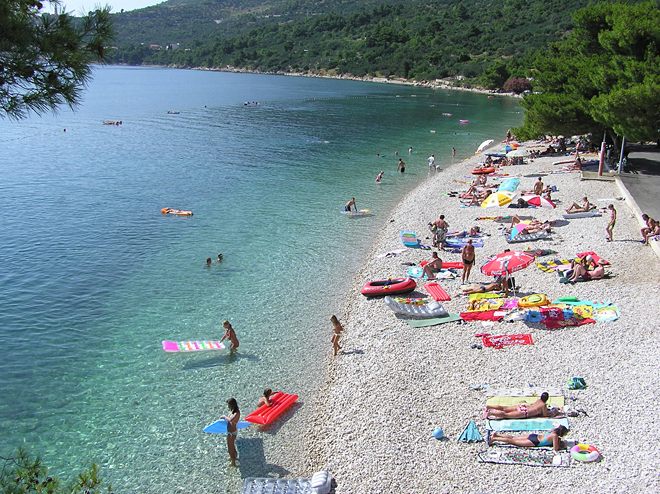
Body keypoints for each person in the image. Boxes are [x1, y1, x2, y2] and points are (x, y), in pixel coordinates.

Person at [489, 425, 568, 452]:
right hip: (535, 442)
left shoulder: (552, 431)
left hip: (533, 436)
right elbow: (555, 449)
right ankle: (494, 439)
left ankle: (497, 435)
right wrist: (561, 445)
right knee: (513, 441)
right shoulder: (555, 436)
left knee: (513, 437)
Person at [486, 392, 560, 419]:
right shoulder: (543, 405)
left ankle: (489, 406)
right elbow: (545, 415)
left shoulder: (538, 400)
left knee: (504, 408)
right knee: (506, 415)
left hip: (523, 407)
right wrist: (554, 413)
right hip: (525, 412)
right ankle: (490, 413)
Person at [223, 398, 240, 466]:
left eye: (228, 405)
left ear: (232, 405)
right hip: (230, 432)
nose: (228, 406)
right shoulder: (233, 411)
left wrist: (224, 416)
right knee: (232, 446)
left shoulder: (236, 413)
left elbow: (230, 420)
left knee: (230, 448)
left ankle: (233, 462)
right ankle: (234, 457)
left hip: (232, 433)